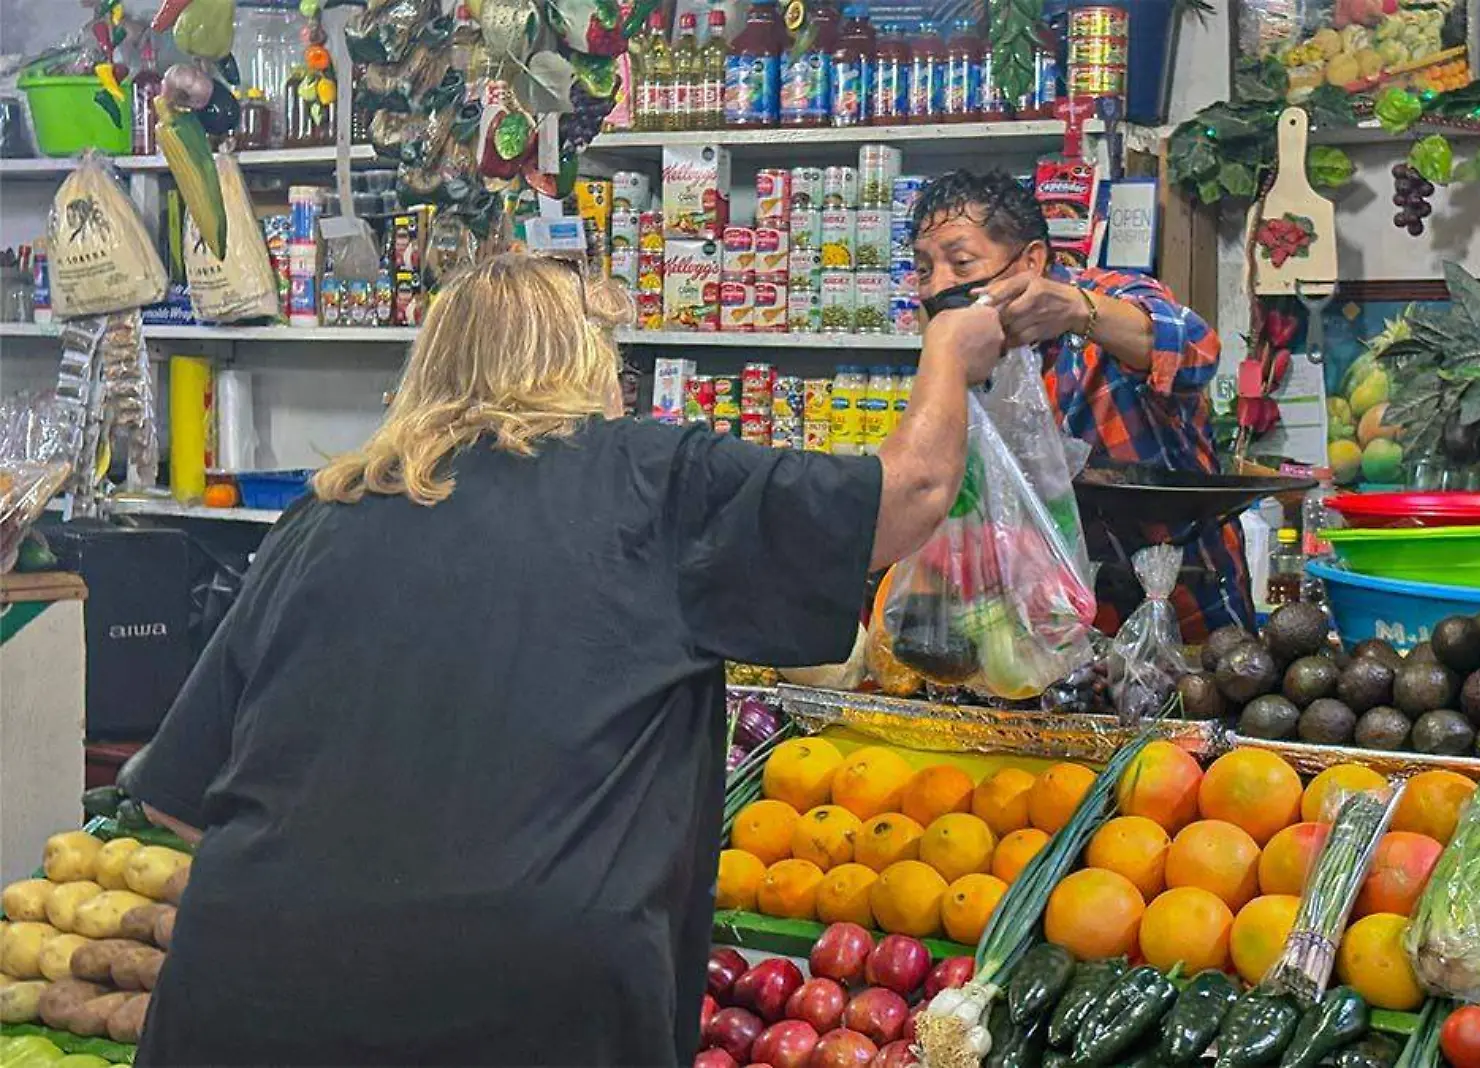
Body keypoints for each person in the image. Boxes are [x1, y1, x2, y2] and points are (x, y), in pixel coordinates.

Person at [119, 253, 1006, 1066]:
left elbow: (178, 797)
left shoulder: (323, 516)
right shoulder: (651, 481)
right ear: (584, 363)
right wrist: (949, 351)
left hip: (248, 998)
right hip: (526, 1011)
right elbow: (913, 492)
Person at [910, 170, 1250, 641]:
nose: (936, 287)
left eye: (962, 263)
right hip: (1052, 625)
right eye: (925, 269)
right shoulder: (964, 359)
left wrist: (1077, 311)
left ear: (1030, 261)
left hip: (1189, 615)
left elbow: (1197, 350)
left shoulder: (1110, 297)